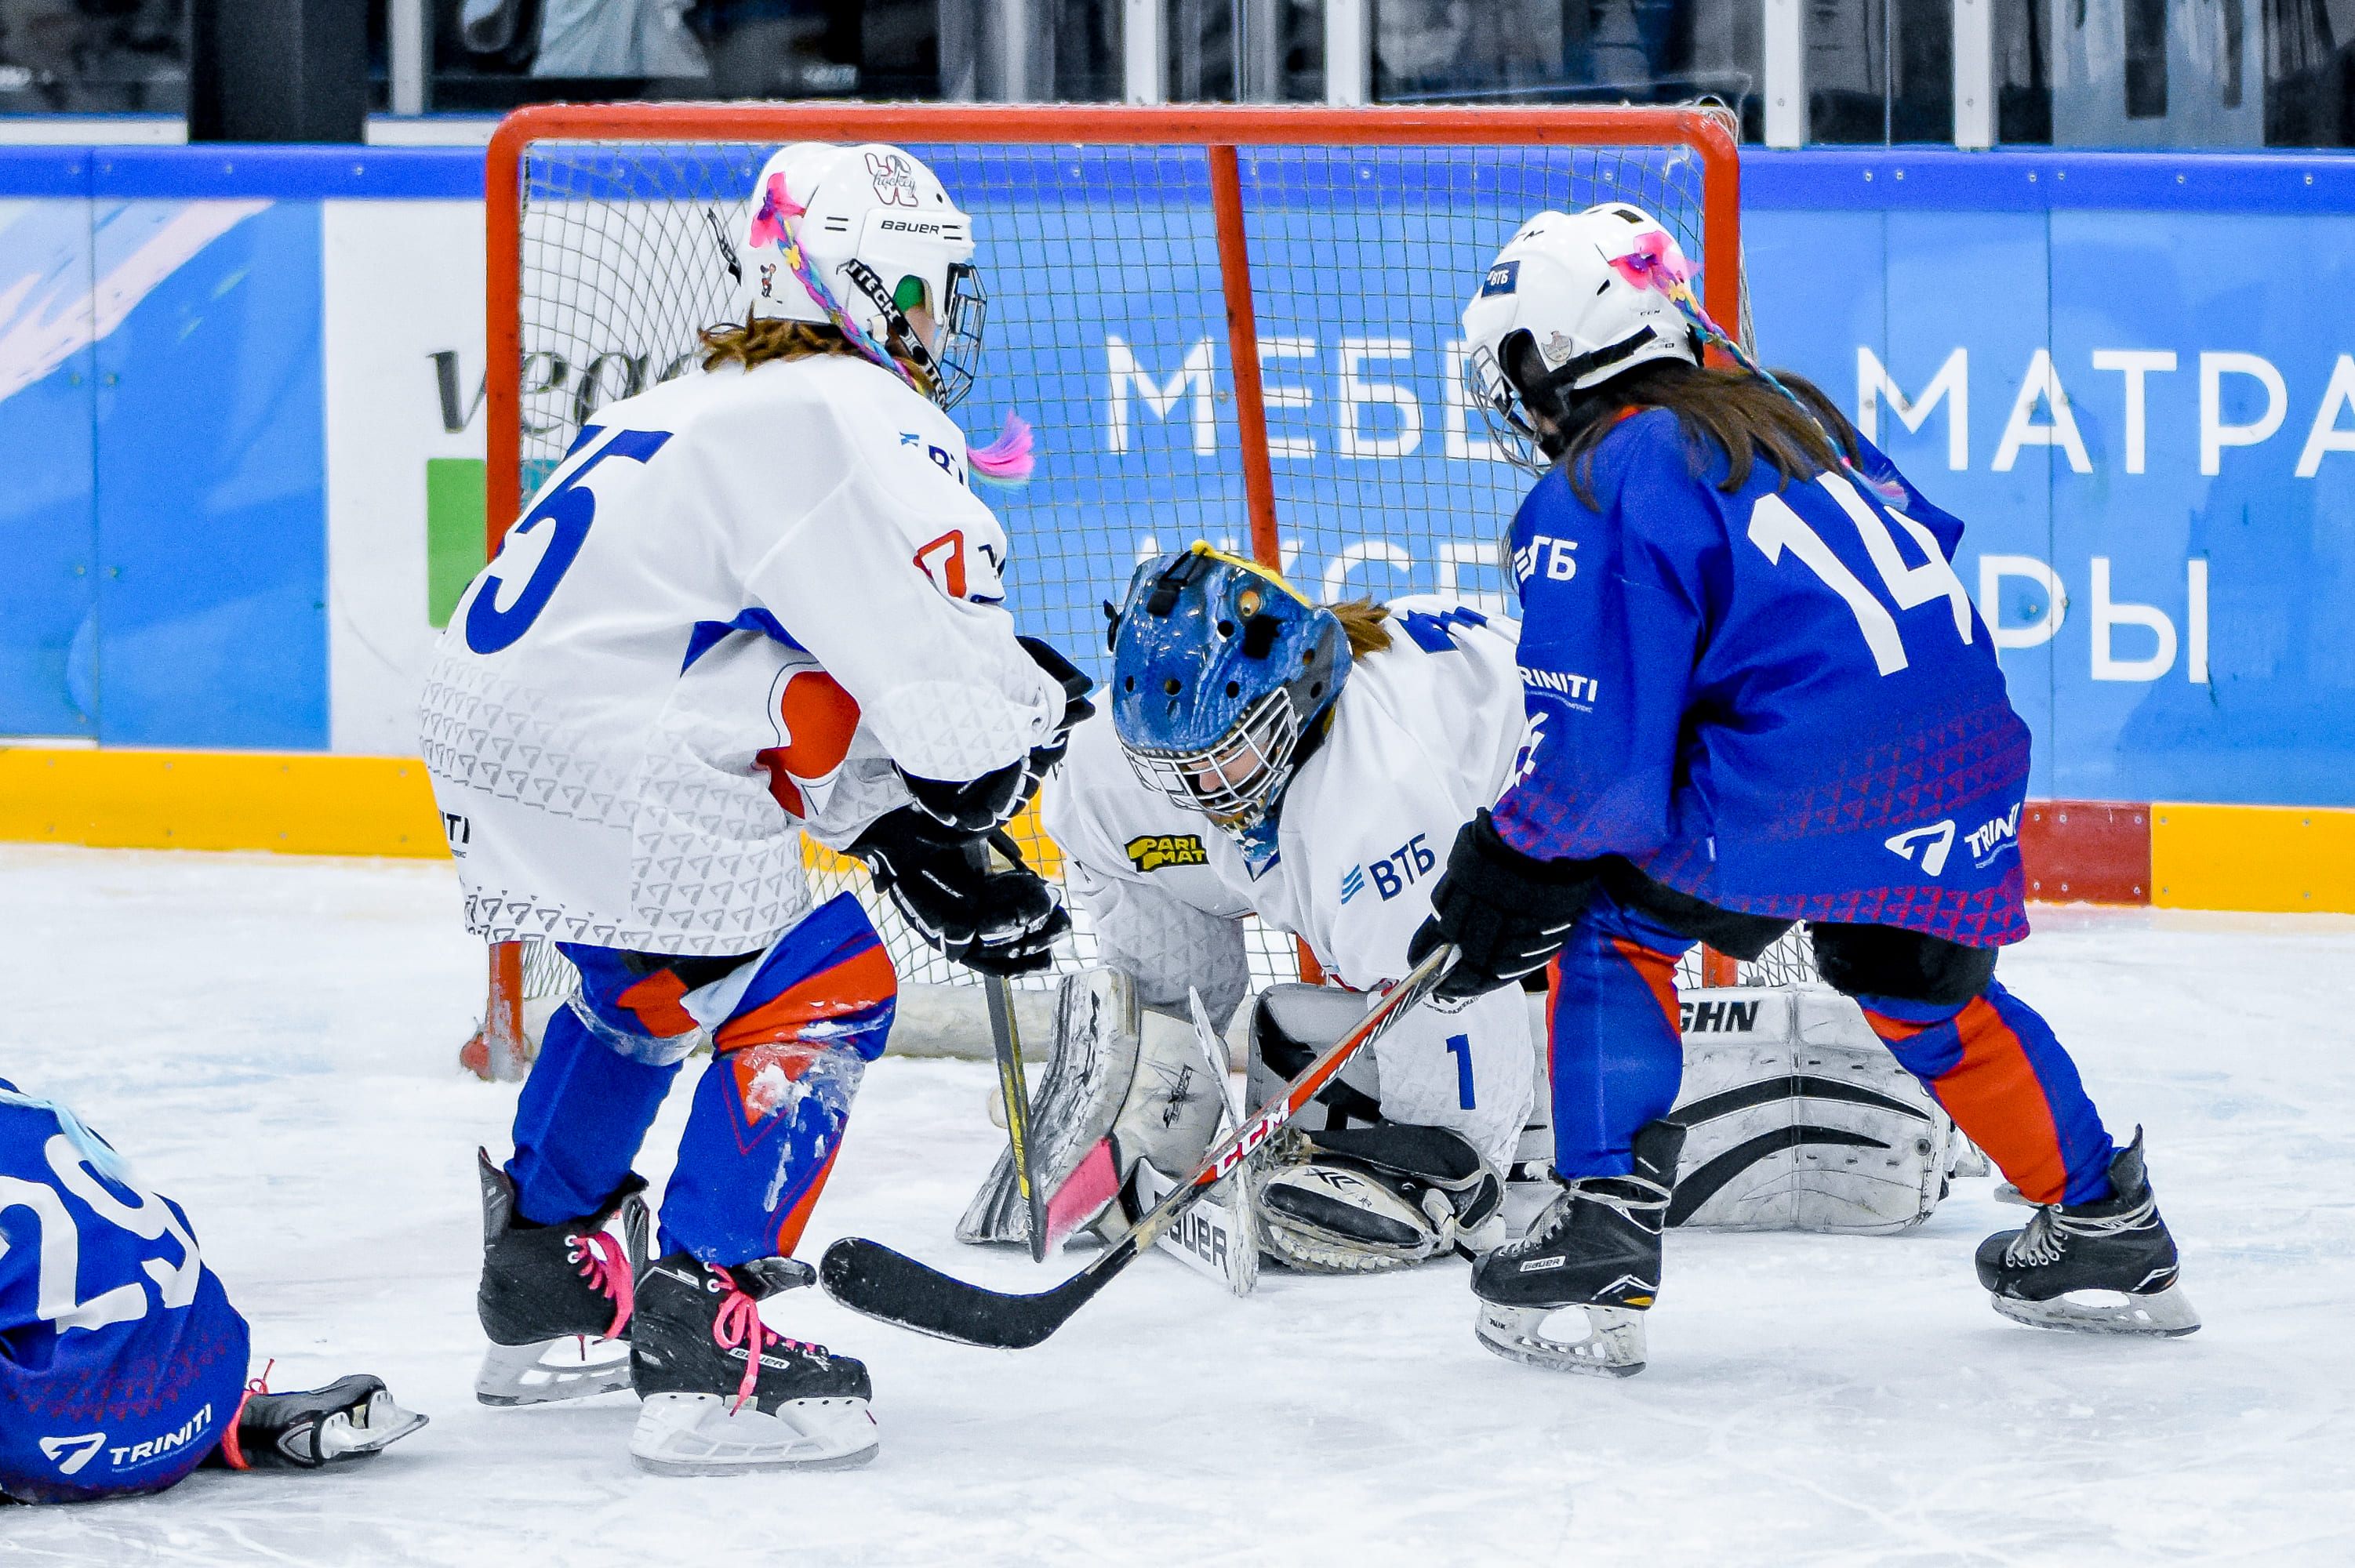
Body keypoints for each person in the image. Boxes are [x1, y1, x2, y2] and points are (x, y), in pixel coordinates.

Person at [1411, 201, 2197, 1376]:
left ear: (1552, 354)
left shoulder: (1602, 477)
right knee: (1917, 984)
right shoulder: (1785, 412)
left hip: (1800, 771)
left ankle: (1599, 1240)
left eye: (1515, 356)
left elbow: (1593, 761)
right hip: (1961, 747)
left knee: (1610, 924)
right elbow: (1901, 558)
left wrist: (1511, 867)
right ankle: (2105, 1227)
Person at [420, 140, 1088, 1473]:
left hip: (491, 727)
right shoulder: (854, 409)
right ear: (868, 282)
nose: (939, 322)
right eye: (928, 289)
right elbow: (952, 727)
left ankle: (544, 1273)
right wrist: (1009, 736)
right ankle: (709, 1330)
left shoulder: (707, 397)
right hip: (615, 746)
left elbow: (771, 673)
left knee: (659, 979)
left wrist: (895, 826)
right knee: (826, 984)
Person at [965, 546, 1531, 1274]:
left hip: (1569, 812)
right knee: (1216, 1010)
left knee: (1438, 1012)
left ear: (1297, 697)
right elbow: (1145, 913)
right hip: (1397, 817)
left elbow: (1453, 1002)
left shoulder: (1375, 803)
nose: (1194, 789)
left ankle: (1531, 1125)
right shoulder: (1113, 764)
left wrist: (1449, 1168)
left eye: (1220, 758)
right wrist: (1145, 1092)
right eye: (1171, 765)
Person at [0, 1080, 423, 1503]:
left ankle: (84, 1432)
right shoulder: (34, 1110)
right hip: (203, 1396)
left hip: (54, 1435)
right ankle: (215, 1424)